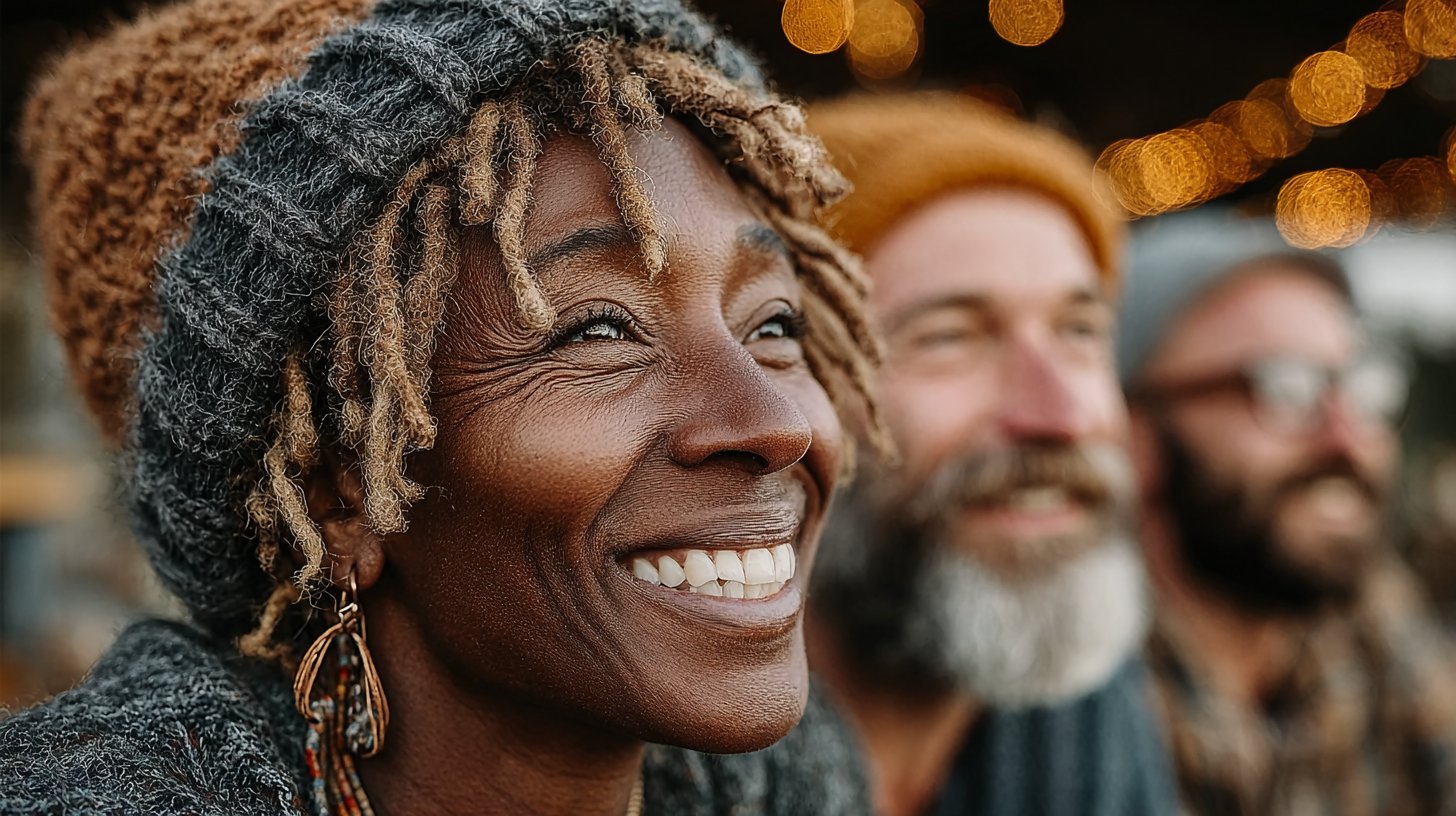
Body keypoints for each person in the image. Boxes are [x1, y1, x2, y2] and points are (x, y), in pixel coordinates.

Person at [0, 1, 881, 814]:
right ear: (335, 494)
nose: (778, 425)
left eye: (774, 322)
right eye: (597, 330)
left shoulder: (803, 788)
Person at [798, 92, 1177, 816]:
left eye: (1080, 332)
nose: (1057, 415)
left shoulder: (1103, 742)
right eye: (950, 336)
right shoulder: (622, 775)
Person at [1119, 210, 1456, 816]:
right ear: (1134, 432)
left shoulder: (1371, 627)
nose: (1346, 437)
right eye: (1284, 387)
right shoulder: (1072, 703)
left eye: (1359, 382)